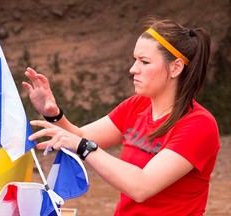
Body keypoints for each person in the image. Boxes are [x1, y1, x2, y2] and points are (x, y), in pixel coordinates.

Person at [22, 17, 220, 215]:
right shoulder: (136, 105)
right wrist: (53, 114)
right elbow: (80, 134)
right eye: (135, 60)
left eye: (144, 61)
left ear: (176, 67)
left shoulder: (199, 125)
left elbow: (142, 186)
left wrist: (83, 147)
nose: (133, 69)